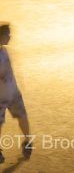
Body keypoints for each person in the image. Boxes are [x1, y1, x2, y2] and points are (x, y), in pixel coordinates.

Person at [0, 23, 33, 163]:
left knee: (22, 116)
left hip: (12, 92)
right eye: (7, 34)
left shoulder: (4, 51)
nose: (10, 37)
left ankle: (27, 141)